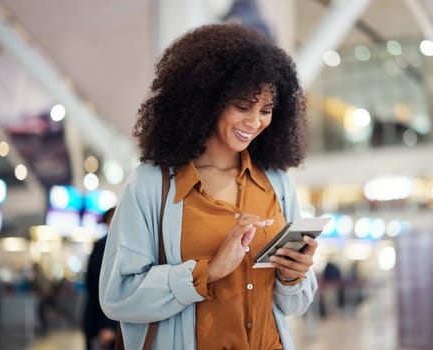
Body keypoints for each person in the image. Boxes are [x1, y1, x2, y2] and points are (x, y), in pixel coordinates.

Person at [99, 23, 318, 349]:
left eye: (266, 110)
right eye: (242, 106)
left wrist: (293, 274)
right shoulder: (150, 186)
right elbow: (119, 296)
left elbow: (294, 305)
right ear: (206, 100)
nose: (255, 121)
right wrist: (207, 272)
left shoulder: (277, 184)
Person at [83, 207, 118, 350]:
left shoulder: (108, 244)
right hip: (102, 323)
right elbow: (101, 287)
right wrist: (107, 325)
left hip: (104, 320)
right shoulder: (106, 246)